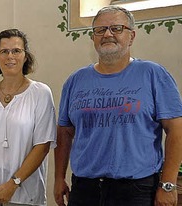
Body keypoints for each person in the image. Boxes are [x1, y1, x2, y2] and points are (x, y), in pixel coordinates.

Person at [54, 5, 182, 206]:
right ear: (93, 37)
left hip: (137, 191)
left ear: (131, 36)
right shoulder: (75, 81)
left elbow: (176, 130)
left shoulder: (153, 75)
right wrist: (58, 178)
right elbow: (64, 132)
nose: (107, 34)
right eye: (100, 29)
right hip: (85, 189)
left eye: (116, 28)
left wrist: (168, 184)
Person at [0, 29, 56, 206]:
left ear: (25, 56)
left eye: (16, 51)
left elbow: (42, 146)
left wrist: (13, 183)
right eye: (4, 51)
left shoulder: (40, 93)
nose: (10, 56)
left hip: (24, 195)